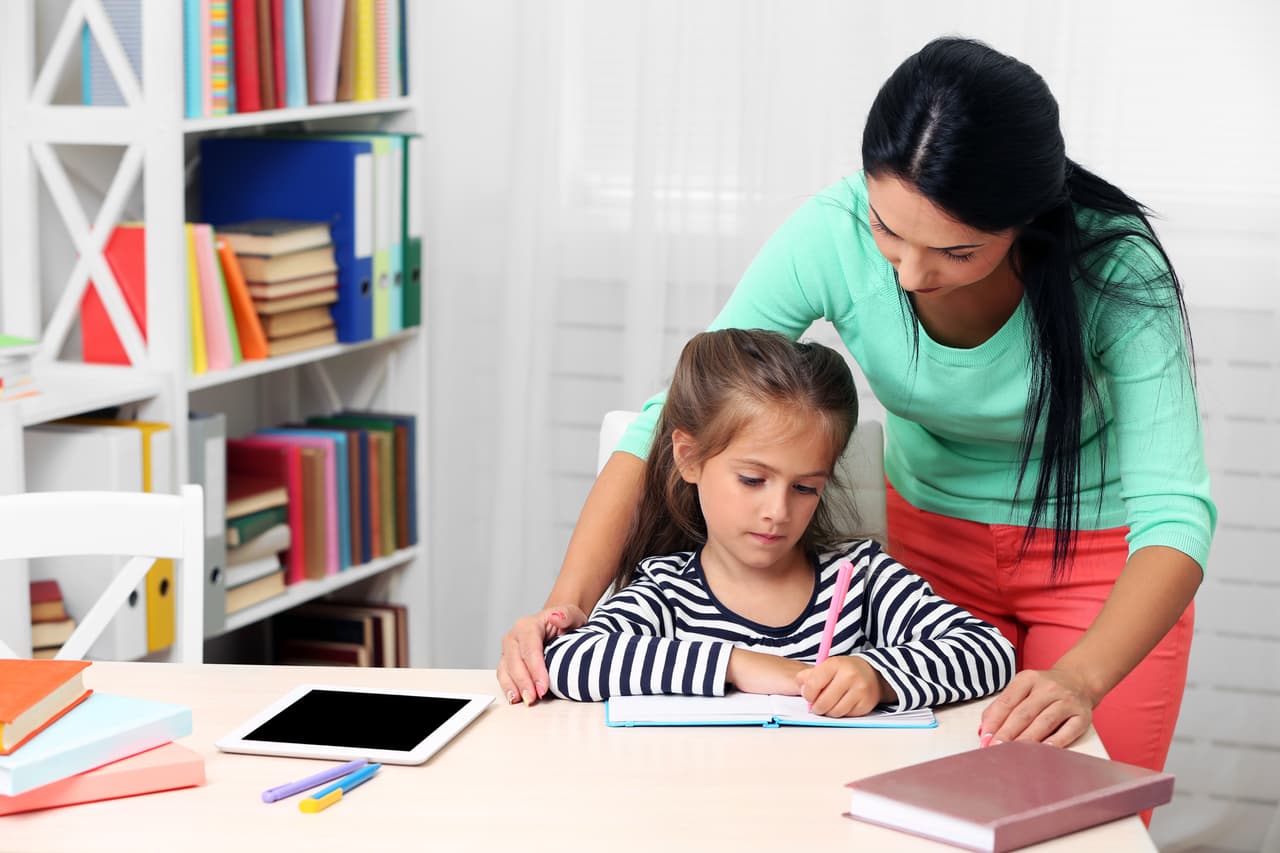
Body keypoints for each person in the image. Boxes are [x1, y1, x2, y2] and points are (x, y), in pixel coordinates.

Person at [499, 36, 1214, 780]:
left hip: (1099, 558)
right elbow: (675, 412)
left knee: (1082, 812)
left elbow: (1176, 514)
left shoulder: (1117, 268)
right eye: (888, 230)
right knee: (939, 809)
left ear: (1025, 221)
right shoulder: (830, 233)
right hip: (934, 552)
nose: (909, 273)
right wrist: (564, 610)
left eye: (956, 253)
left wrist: (1082, 677)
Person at [543, 328, 1015, 711]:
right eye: (752, 480)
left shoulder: (861, 579)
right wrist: (738, 666)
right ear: (689, 459)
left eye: (805, 487)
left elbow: (991, 653)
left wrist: (878, 677)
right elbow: (569, 659)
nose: (778, 512)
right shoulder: (667, 590)